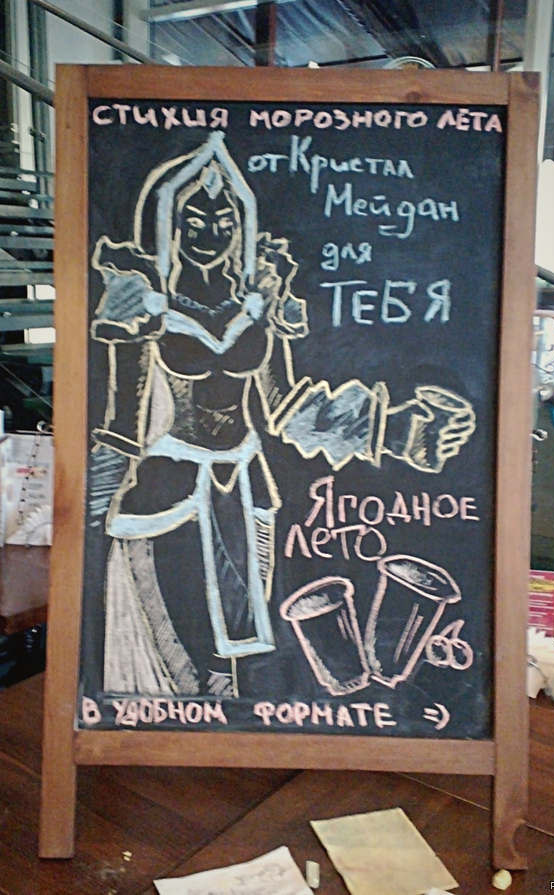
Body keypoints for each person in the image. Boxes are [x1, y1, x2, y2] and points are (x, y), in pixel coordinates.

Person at [90, 131, 476, 699]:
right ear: (168, 223)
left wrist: (395, 428)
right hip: (168, 493)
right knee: (181, 644)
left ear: (241, 229)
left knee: (236, 646)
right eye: (194, 221)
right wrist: (86, 513)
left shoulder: (256, 307)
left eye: (223, 222)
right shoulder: (145, 307)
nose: (210, 234)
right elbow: (121, 425)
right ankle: (175, 733)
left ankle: (225, 732)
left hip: (245, 489)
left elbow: (286, 408)